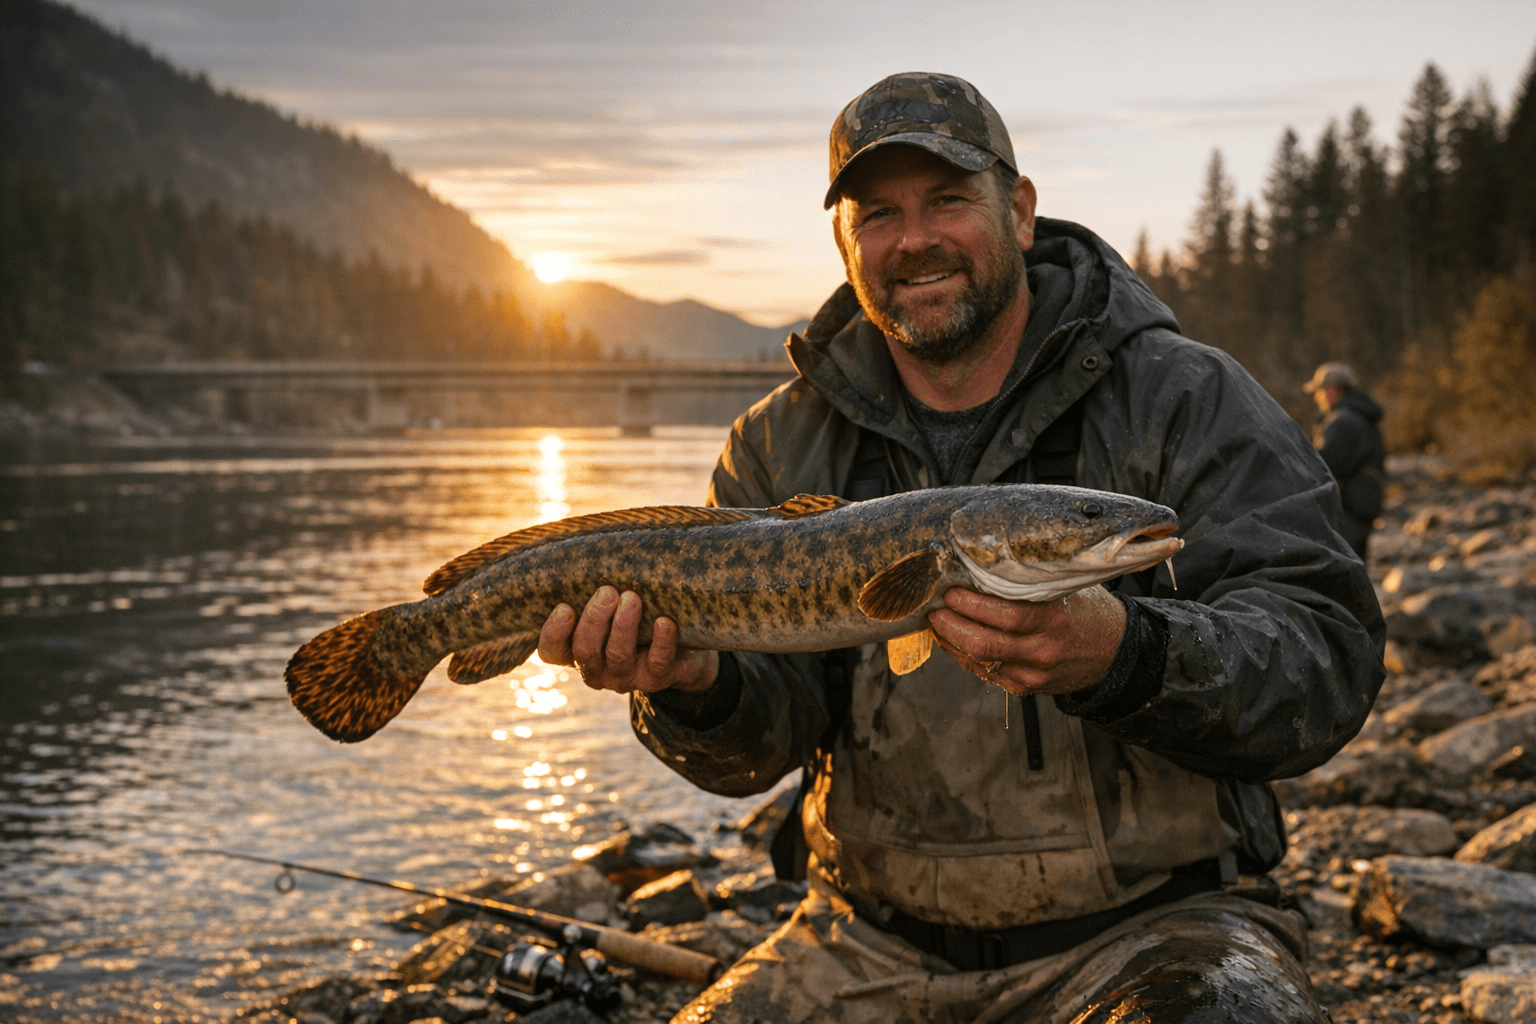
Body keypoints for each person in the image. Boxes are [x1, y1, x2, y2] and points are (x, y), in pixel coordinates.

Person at [539, 72, 1384, 1023]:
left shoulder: (1186, 398)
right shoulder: (776, 444)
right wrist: (690, 687)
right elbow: (756, 751)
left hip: (1156, 931)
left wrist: (1128, 655)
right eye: (878, 214)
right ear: (844, 242)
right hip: (861, 943)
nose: (915, 240)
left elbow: (1328, 663)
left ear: (1019, 211)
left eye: (948, 198)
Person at [1304, 361, 1386, 560]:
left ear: (1331, 391)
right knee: (1356, 568)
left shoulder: (1342, 421)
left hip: (1348, 508)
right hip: (1364, 506)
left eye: (1319, 392)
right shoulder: (1361, 417)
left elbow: (1322, 466)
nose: (1318, 398)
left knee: (1342, 569)